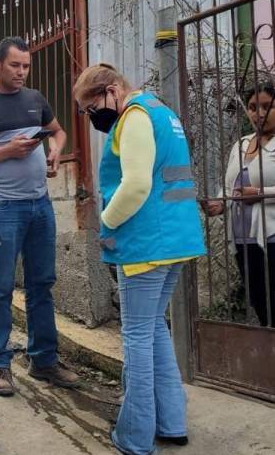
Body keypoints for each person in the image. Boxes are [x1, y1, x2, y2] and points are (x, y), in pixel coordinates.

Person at [74, 62, 206, 455]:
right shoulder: (163, 112)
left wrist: (106, 222)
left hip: (147, 243)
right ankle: (171, 423)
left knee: (136, 336)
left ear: (112, 90)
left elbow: (135, 185)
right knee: (154, 330)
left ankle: (134, 437)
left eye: (91, 105)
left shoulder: (134, 117)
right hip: (175, 240)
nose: (92, 116)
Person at [0, 36, 78, 396]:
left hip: (40, 205)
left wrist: (55, 152)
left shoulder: (35, 99)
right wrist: (7, 152)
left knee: (42, 283)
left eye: (26, 66)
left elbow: (59, 131)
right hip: (4, 207)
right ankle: (0, 362)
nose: (22, 73)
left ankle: (44, 359)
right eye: (15, 65)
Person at [206, 82, 275, 331]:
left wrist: (261, 194)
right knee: (262, 308)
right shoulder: (241, 144)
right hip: (245, 241)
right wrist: (219, 204)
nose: (258, 113)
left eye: (266, 107)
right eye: (251, 107)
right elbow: (230, 187)